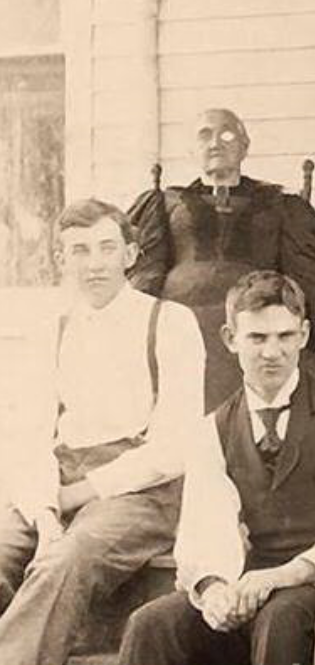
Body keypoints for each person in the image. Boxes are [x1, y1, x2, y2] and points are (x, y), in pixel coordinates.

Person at [120, 270, 315, 665]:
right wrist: (214, 589)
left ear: (303, 334)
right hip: (255, 583)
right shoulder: (214, 428)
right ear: (231, 339)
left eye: (284, 336)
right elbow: (204, 528)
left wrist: (282, 577)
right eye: (257, 338)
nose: (272, 352)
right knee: (153, 623)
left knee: (280, 618)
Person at [0, 199, 204, 665]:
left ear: (130, 254)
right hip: (59, 480)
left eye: (106, 248)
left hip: (141, 489)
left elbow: (175, 447)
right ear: (62, 259)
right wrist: (47, 515)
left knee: (63, 563)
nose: (94, 264)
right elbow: (27, 434)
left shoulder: (170, 323)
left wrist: (80, 495)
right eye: (80, 251)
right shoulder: (51, 329)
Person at [129, 107, 315, 410]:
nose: (215, 143)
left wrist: (313, 351)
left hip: (253, 319)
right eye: (204, 135)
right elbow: (144, 276)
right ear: (192, 150)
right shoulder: (166, 203)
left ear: (244, 146)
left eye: (227, 134)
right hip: (179, 321)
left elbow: (310, 282)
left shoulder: (280, 206)